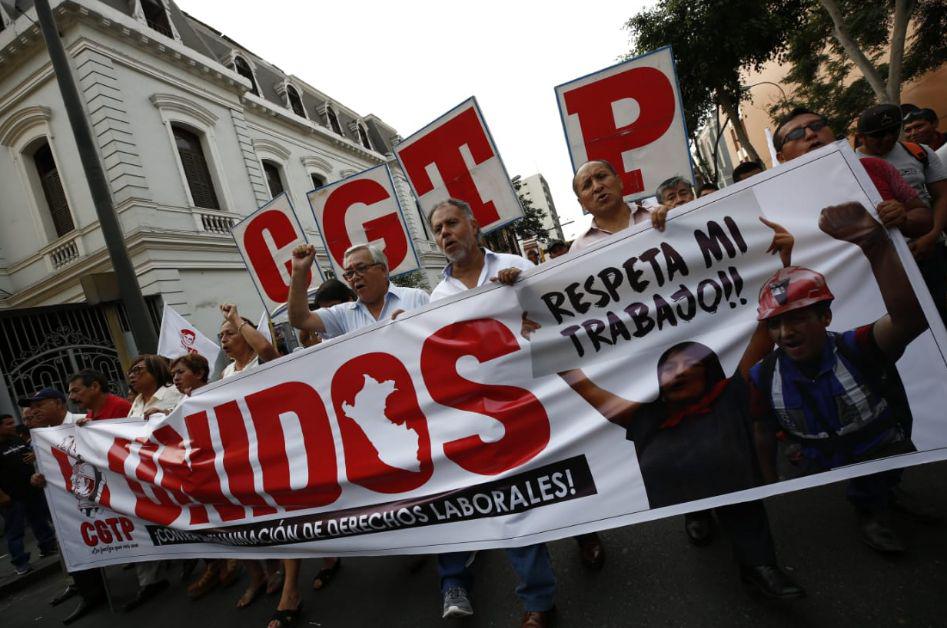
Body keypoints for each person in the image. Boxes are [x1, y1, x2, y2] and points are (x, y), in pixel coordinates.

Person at [553, 211, 804, 599]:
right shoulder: (643, 418)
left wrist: (782, 266)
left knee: (744, 507)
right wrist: (543, 338)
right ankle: (696, 513)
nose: (679, 371)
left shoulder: (730, 393)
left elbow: (766, 326)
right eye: (669, 367)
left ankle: (760, 566)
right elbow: (582, 384)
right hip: (682, 490)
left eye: (690, 363)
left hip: (735, 483)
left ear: (710, 369)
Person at [749, 202, 930, 554]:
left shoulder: (857, 347)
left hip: (882, 445)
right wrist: (770, 480)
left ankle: (884, 498)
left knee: (884, 476)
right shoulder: (764, 375)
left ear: (826, 317)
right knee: (864, 487)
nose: (785, 333)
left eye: (797, 318)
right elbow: (761, 429)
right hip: (821, 459)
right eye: (775, 324)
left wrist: (876, 247)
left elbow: (909, 319)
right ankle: (870, 510)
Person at [570, 159, 719, 545]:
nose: (597, 186)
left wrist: (679, 220)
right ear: (582, 202)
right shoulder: (578, 250)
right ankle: (695, 509)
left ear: (619, 181)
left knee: (717, 429)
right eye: (586, 185)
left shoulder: (661, 214)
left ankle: (744, 520)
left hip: (692, 348)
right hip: (640, 367)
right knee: (671, 440)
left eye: (602, 177)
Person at [427, 198, 557, 627]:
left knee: (563, 485)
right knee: (513, 502)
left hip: (543, 396)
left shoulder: (516, 266)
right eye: (437, 229)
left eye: (451, 223)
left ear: (473, 225)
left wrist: (522, 292)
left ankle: (586, 534)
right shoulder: (438, 297)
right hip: (491, 414)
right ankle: (538, 600)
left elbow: (554, 314)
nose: (445, 233)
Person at [773, 106, 944, 324]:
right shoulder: (779, 203)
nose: (810, 134)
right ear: (781, 157)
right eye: (796, 134)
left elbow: (924, 217)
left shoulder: (874, 167)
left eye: (817, 126)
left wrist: (903, 218)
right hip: (847, 305)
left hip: (915, 278)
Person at [215, 304, 295, 627]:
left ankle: (292, 588)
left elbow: (267, 350)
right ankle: (271, 573)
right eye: (220, 336)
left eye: (230, 333)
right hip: (246, 451)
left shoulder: (260, 358)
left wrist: (237, 318)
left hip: (276, 442)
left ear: (246, 334)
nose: (224, 339)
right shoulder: (226, 374)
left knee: (286, 510)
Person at [26, 390, 108, 624]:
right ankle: (91, 593)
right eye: (33, 407)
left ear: (59, 403)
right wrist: (37, 478)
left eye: (40, 404)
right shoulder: (40, 436)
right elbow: (44, 471)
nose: (34, 411)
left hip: (102, 494)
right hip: (68, 504)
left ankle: (148, 582)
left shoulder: (85, 422)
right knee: (75, 542)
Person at [855, 104, 947, 305]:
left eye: (893, 131)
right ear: (861, 137)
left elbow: (942, 196)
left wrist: (931, 236)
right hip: (891, 261)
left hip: (931, 249)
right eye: (879, 135)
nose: (888, 138)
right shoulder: (850, 165)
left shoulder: (919, 152)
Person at [122, 355, 186, 612]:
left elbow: (186, 420)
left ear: (156, 372)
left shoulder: (172, 393)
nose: (132, 375)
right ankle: (151, 581)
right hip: (147, 473)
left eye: (138, 370)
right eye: (130, 371)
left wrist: (166, 414)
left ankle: (216, 562)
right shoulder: (136, 403)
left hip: (175, 468)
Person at [287, 242, 430, 339]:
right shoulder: (343, 315)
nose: (355, 277)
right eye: (349, 273)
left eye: (361, 268)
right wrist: (299, 272)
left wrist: (413, 327)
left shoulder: (416, 298)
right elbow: (300, 319)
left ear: (382, 269)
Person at [0, 413, 57, 576]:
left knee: (39, 520)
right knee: (15, 530)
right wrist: (1, 496)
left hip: (32, 490)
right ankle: (20, 563)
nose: (13, 425)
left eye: (13, 422)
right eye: (8, 424)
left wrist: (34, 455)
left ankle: (47, 547)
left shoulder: (16, 439)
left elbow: (30, 452)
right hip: (12, 496)